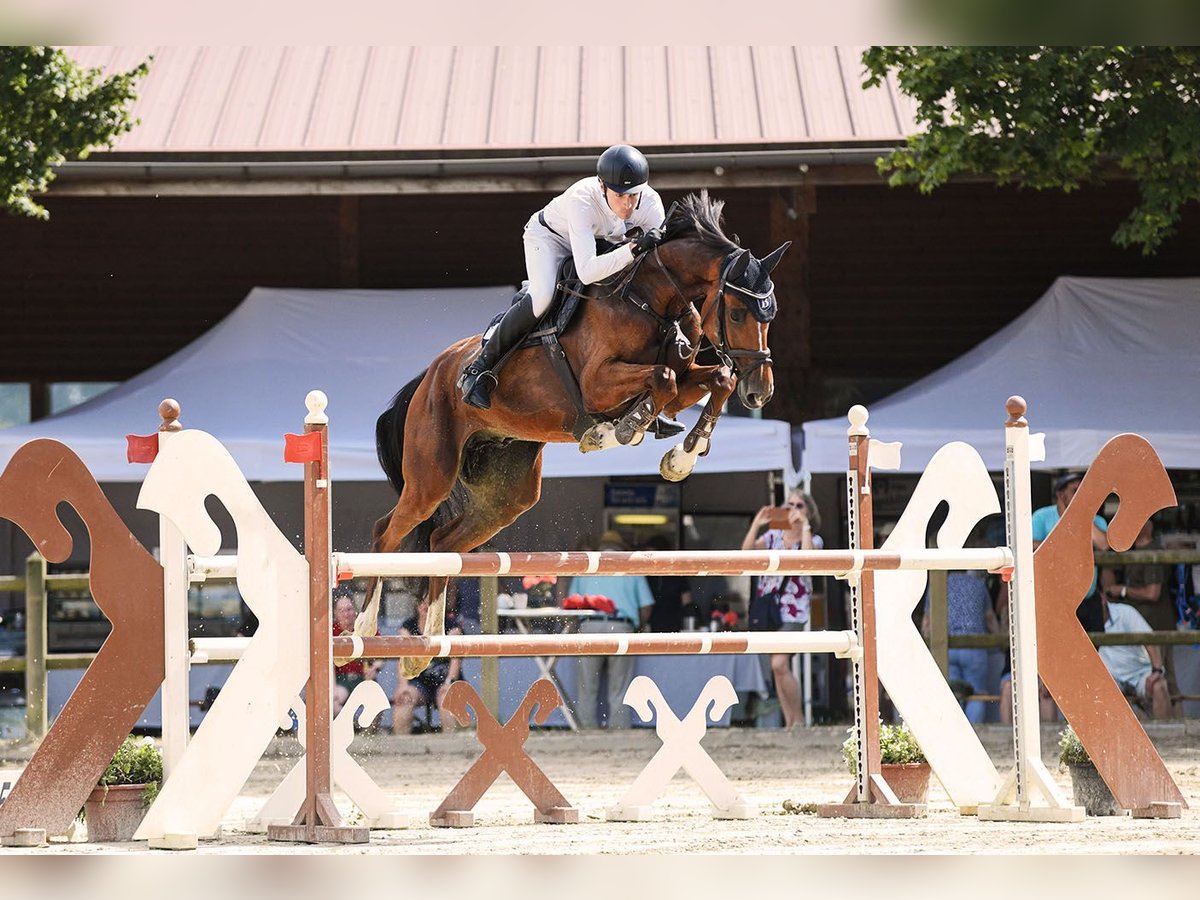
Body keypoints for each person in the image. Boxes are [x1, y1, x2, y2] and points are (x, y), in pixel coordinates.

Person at [457, 144, 679, 438]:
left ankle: (641, 403)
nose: (627, 205)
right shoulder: (582, 199)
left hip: (600, 246)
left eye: (633, 195)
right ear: (602, 187)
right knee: (544, 298)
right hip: (550, 240)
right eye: (620, 196)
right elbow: (587, 270)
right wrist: (635, 246)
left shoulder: (650, 203)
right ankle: (480, 369)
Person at [741, 490, 823, 729]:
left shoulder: (814, 540)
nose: (794, 509)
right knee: (779, 668)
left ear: (809, 511)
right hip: (769, 608)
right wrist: (757, 524)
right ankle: (791, 721)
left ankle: (797, 719)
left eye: (800, 505)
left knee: (779, 664)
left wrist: (805, 527)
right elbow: (745, 554)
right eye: (789, 505)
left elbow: (809, 563)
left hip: (794, 611)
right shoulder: (773, 536)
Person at [569, 529, 655, 729]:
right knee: (620, 687)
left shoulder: (587, 567)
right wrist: (638, 626)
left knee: (586, 686)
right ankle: (619, 731)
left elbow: (572, 603)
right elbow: (646, 606)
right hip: (621, 626)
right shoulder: (630, 566)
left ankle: (586, 731)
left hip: (589, 626)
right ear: (622, 548)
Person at [1100, 518, 1178, 709]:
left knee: (1166, 684)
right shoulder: (1132, 551)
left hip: (1157, 627)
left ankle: (1175, 727)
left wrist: (1124, 591)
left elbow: (1153, 593)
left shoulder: (1152, 551)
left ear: (1147, 526)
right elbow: (1108, 578)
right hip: (1138, 632)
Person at [922, 567, 1002, 723]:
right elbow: (990, 618)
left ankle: (955, 731)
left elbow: (927, 621)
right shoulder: (978, 584)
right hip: (975, 648)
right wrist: (1000, 641)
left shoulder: (938, 584)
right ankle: (975, 732)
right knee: (977, 693)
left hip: (947, 648)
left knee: (951, 693)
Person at [1032, 471, 1109, 631]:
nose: (1081, 495)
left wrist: (1083, 515)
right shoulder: (1041, 516)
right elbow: (1031, 544)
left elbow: (1104, 545)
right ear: (1061, 495)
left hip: (1088, 598)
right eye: (1075, 491)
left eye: (1083, 491)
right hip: (1054, 600)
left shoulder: (1096, 519)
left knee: (1094, 648)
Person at [391, 596, 464, 734]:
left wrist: (449, 682)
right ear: (417, 606)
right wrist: (403, 686)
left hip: (445, 679)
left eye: (429, 602)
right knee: (404, 699)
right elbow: (402, 659)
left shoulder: (451, 627)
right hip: (418, 681)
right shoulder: (408, 627)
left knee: (447, 699)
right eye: (421, 602)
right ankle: (399, 748)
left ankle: (453, 749)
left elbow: (456, 660)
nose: (425, 606)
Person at [1097, 593, 1172, 719]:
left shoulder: (1125, 612)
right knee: (1101, 692)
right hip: (1111, 679)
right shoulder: (1083, 620)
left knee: (1159, 686)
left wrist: (1157, 671)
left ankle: (1167, 736)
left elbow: (1149, 640)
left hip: (1140, 672)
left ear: (1103, 599)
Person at [332, 592, 380, 718]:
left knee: (376, 700)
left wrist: (375, 667)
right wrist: (332, 687)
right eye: (341, 611)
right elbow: (327, 663)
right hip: (340, 680)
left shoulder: (365, 629)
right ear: (336, 614)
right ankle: (353, 725)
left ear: (355, 611)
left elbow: (382, 653)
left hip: (363, 677)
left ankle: (369, 733)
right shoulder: (331, 631)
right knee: (333, 702)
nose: (346, 614)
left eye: (349, 609)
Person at [641, 534, 694, 633]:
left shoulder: (646, 575)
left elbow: (687, 602)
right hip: (660, 626)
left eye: (651, 556)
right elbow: (687, 602)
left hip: (669, 626)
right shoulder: (677, 574)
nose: (649, 560)